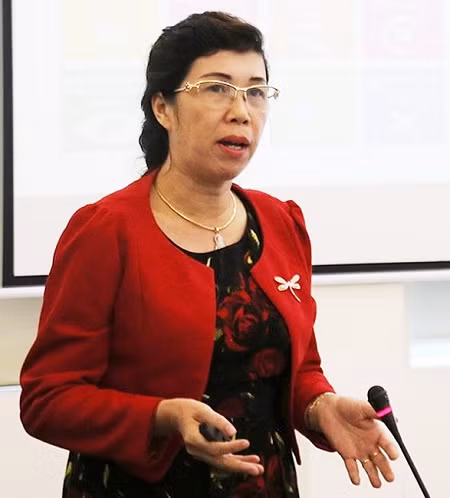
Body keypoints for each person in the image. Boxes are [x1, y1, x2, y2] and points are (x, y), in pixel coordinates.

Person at [20, 11, 398, 498]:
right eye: (217, 88)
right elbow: (48, 399)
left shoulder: (280, 222)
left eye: (256, 92)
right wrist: (163, 416)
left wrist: (319, 406)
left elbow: (297, 368)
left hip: (263, 484)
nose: (241, 111)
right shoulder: (106, 231)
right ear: (163, 108)